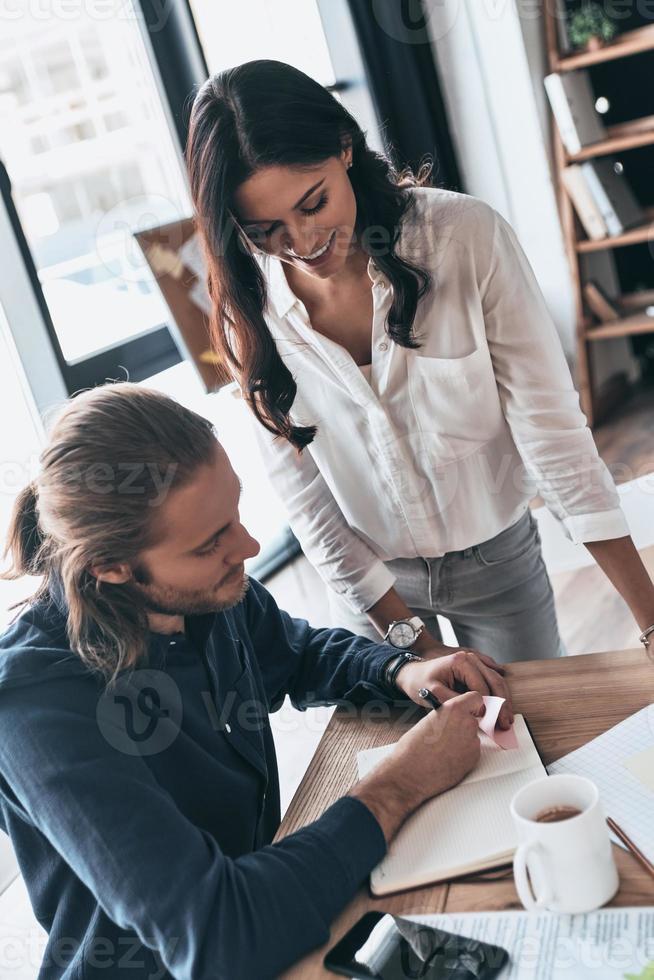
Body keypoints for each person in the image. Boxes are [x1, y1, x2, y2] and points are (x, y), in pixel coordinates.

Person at [0, 383, 513, 980]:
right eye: (210, 544)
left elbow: (296, 653)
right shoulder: (36, 712)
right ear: (110, 568)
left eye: (236, 514)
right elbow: (217, 933)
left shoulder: (204, 592)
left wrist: (400, 668)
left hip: (279, 911)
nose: (247, 546)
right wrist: (400, 782)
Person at [185, 59, 654, 663]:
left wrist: (648, 617)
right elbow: (307, 502)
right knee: (398, 747)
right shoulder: (246, 311)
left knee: (538, 742)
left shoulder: (464, 237)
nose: (301, 245)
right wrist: (413, 643)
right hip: (369, 586)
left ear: (345, 149)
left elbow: (552, 433)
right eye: (265, 229)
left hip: (498, 563)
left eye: (313, 203)